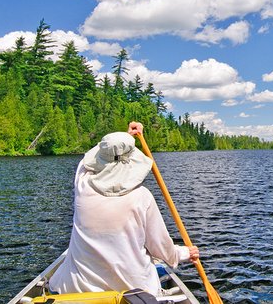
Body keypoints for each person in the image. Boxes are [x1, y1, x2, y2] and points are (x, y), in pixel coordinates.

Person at [48, 122, 199, 296]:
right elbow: (161, 249)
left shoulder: (82, 183)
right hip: (133, 292)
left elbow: (92, 158)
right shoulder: (142, 197)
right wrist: (184, 253)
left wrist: (124, 137)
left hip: (76, 289)